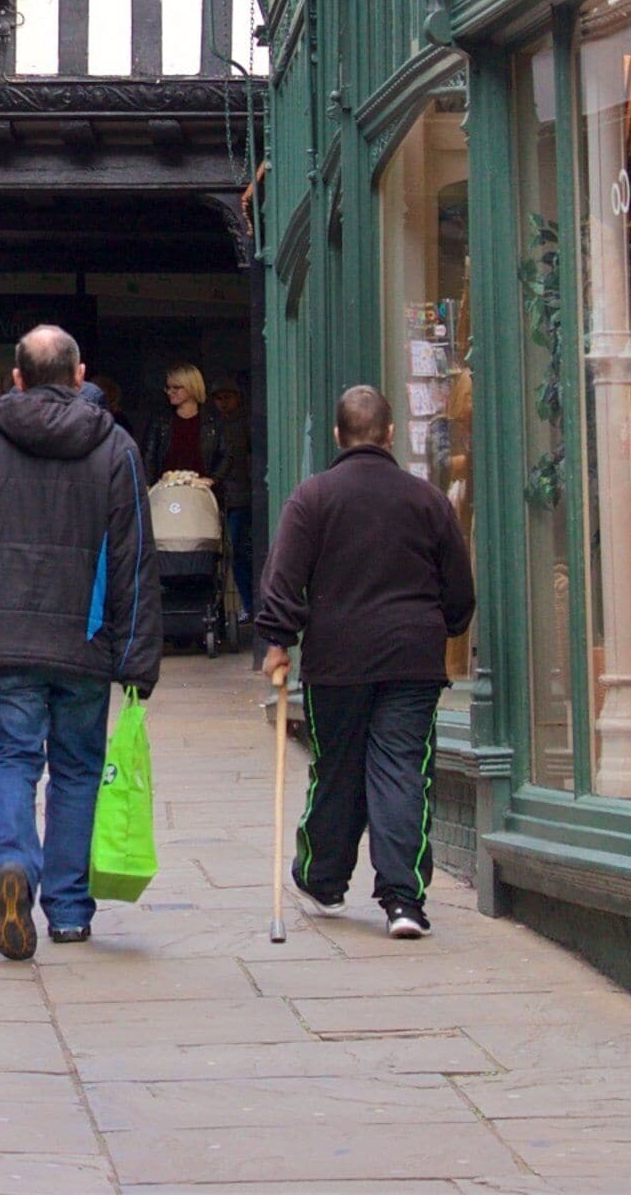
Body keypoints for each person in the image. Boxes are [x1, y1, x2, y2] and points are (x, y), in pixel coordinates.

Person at [0, 325, 158, 959]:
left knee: (12, 759)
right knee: (77, 769)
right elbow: (135, 561)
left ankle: (10, 867)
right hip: (87, 640)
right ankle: (71, 911)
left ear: (16, 378)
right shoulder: (118, 450)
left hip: (4, 639)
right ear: (81, 376)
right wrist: (137, 655)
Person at [257, 383, 476, 941]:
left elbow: (284, 578)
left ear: (337, 434)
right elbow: (458, 589)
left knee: (337, 767)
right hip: (412, 656)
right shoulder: (427, 500)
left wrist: (278, 641)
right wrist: (447, 625)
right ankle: (404, 900)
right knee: (402, 769)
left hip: (338, 658)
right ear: (391, 433)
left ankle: (324, 877)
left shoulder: (313, 497)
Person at [157, 363, 252, 597]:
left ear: (191, 388)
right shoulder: (161, 422)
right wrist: (151, 484)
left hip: (200, 497)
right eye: (168, 388)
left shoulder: (212, 423)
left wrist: (212, 479)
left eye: (176, 387)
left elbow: (227, 456)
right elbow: (149, 455)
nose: (170, 392)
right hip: (166, 495)